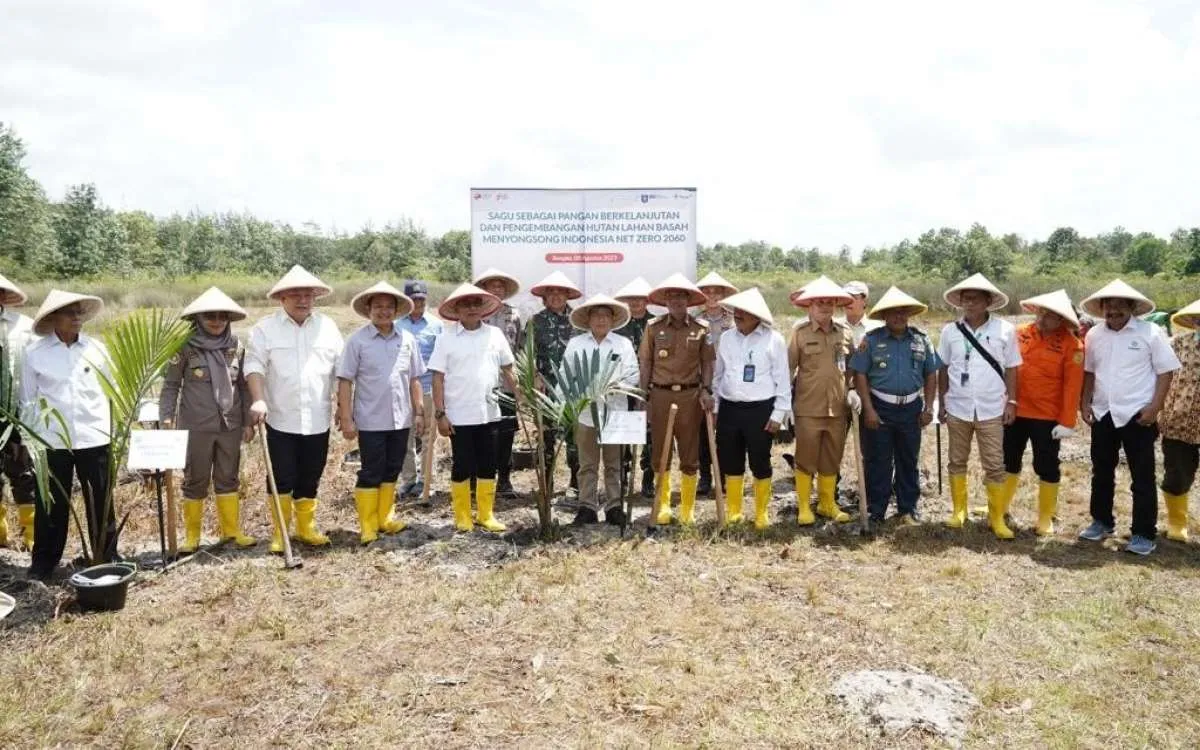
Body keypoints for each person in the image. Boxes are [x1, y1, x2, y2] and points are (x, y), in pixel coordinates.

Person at [244, 265, 344, 553]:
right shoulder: (265, 329)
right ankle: (280, 532)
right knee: (282, 475)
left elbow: (340, 369)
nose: (303, 300)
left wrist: (343, 405)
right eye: (296, 295)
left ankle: (305, 527)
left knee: (311, 473)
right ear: (282, 299)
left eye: (308, 295)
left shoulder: (328, 328)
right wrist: (258, 399)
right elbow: (253, 366)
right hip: (279, 417)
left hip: (317, 416)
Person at [1078, 280, 1180, 556]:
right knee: (1101, 471)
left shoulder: (1151, 332)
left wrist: (1155, 407)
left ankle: (1144, 533)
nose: (1113, 310)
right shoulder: (1095, 335)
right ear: (1101, 309)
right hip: (1103, 412)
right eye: (1108, 306)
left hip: (1138, 413)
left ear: (1132, 307)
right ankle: (1101, 521)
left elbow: (1165, 372)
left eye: (1120, 305)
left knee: (1142, 476)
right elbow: (1089, 372)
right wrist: (1084, 402)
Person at [21, 290, 116, 580]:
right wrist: (30, 442)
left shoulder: (97, 349)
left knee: (101, 500)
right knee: (51, 504)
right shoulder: (34, 354)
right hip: (52, 439)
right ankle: (44, 562)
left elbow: (113, 391)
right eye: (69, 313)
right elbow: (27, 399)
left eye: (79, 313)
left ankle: (107, 556)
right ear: (53, 319)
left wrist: (116, 430)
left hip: (94, 435)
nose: (76, 318)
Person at [159, 287, 255, 553]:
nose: (216, 321)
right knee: (195, 478)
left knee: (228, 477)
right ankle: (192, 537)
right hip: (196, 426)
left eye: (222, 316)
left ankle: (232, 533)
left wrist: (247, 422)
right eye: (210, 316)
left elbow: (245, 387)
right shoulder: (184, 349)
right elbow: (170, 386)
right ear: (198, 319)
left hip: (230, 425)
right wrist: (166, 417)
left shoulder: (237, 347)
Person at [337, 281, 425, 544]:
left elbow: (415, 379)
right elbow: (345, 381)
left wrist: (419, 412)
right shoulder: (357, 341)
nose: (384, 312)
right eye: (378, 307)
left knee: (393, 469)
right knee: (371, 471)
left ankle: (385, 518)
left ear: (397, 311)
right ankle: (367, 525)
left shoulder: (407, 339)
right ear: (368, 310)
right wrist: (346, 417)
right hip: (370, 419)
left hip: (401, 419)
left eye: (389, 307)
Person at [428, 283, 520, 532]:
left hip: (490, 412)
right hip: (459, 415)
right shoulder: (446, 338)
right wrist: (440, 414)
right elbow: (437, 378)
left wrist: (521, 397)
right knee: (462, 465)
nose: (470, 308)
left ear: (483, 308)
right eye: (465, 304)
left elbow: (508, 370)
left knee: (488, 464)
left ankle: (486, 514)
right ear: (456, 309)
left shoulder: (495, 335)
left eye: (475, 303)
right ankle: (462, 516)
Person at [937, 273, 1021, 538]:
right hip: (957, 406)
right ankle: (958, 511)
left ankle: (996, 518)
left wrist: (1012, 401)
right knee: (956, 460)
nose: (969, 303)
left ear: (988, 301)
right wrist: (941, 400)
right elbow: (942, 367)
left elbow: (1012, 368)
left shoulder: (1005, 330)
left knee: (995, 464)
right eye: (965, 299)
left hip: (991, 407)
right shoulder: (949, 331)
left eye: (974, 298)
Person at [850, 287, 939, 525]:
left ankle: (907, 508)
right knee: (877, 460)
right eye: (893, 313)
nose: (899, 317)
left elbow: (931, 373)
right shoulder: (871, 340)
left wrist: (928, 408)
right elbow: (860, 374)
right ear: (885, 316)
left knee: (908, 459)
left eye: (903, 312)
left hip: (911, 408)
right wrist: (868, 409)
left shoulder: (922, 339)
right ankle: (876, 509)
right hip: (880, 407)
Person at [1002, 290, 1084, 536]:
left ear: (1062, 320)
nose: (1043, 318)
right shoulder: (1019, 334)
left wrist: (1067, 421)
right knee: (1008, 460)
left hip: (1047, 416)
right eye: (1041, 312)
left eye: (1051, 315)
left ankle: (1045, 518)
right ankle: (1000, 508)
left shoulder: (1072, 345)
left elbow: (1073, 386)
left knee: (1046, 464)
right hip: (1015, 410)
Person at [639, 273, 715, 525]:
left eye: (681, 296)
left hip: (690, 395)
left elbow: (707, 361)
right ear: (665, 301)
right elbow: (646, 361)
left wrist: (706, 389)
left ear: (688, 300)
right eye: (671, 297)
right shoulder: (653, 327)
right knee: (660, 451)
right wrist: (644, 394)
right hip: (659, 394)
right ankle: (663, 505)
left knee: (689, 450)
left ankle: (687, 507)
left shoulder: (701, 329)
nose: (677, 301)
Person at [712, 288, 789, 529]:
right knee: (730, 459)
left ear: (757, 315)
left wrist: (778, 414)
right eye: (736, 311)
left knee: (760, 460)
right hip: (729, 409)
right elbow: (718, 375)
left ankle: (761, 513)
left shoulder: (773, 339)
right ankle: (734, 511)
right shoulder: (726, 338)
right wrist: (715, 407)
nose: (738, 315)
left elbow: (783, 380)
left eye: (745, 312)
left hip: (760, 410)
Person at [563, 294, 640, 526]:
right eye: (596, 315)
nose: (601, 320)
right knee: (587, 464)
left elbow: (633, 374)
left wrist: (613, 385)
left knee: (614, 463)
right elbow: (566, 374)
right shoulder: (576, 344)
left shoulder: (623, 344)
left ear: (612, 319)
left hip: (615, 410)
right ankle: (587, 507)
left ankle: (614, 506)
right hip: (585, 412)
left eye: (605, 315)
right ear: (588, 320)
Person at [789, 276, 856, 525]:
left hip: (837, 408)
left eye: (829, 302)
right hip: (808, 407)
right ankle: (804, 506)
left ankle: (827, 503)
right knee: (805, 457)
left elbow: (851, 368)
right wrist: (783, 404)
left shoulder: (845, 333)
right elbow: (788, 368)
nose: (825, 307)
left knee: (832, 458)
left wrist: (851, 389)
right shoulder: (800, 333)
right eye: (819, 302)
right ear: (810, 306)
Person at [530, 271, 583, 497]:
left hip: (573, 387)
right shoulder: (536, 321)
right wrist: (535, 378)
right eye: (551, 292)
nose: (555, 296)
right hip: (546, 387)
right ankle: (547, 482)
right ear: (544, 297)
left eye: (560, 292)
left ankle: (575, 483)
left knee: (575, 436)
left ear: (567, 295)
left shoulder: (579, 321)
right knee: (546, 436)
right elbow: (526, 353)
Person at [476, 268, 525, 498]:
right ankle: (481, 477)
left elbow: (520, 349)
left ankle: (504, 479)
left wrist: (519, 385)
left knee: (506, 432)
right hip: (479, 383)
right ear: (484, 289)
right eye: (492, 285)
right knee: (482, 430)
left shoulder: (514, 314)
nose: (497, 289)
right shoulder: (475, 312)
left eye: (501, 286)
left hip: (506, 384)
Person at [396, 280, 443, 501]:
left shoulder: (436, 325)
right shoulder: (396, 325)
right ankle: (408, 480)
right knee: (404, 436)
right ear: (407, 301)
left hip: (428, 387)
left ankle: (426, 481)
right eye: (414, 299)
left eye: (422, 299)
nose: (418, 303)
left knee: (427, 436)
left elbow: (442, 359)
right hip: (402, 389)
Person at [0, 273, 37, 549]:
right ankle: (1, 536)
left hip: (17, 412)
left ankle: (31, 537)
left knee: (24, 475)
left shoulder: (23, 327)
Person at [1159, 298, 1200, 542]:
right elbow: (1159, 375)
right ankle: (1177, 523)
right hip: (1179, 419)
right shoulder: (1176, 344)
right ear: (1193, 321)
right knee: (1177, 472)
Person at [694, 271, 738, 496]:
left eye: (716, 292)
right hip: (702, 381)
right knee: (703, 431)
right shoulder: (695, 320)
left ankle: (723, 475)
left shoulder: (733, 320)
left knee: (726, 432)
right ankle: (705, 476)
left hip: (729, 382)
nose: (711, 296)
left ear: (723, 295)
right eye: (707, 291)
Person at [613, 277, 655, 498]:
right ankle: (623, 477)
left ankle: (649, 478)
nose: (636, 302)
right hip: (623, 388)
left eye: (640, 298)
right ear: (626, 301)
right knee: (622, 434)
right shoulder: (618, 328)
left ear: (647, 300)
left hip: (650, 389)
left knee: (649, 436)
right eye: (632, 299)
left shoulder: (657, 323)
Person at [838, 281, 883, 347]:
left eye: (853, 298)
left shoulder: (877, 328)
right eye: (846, 297)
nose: (848, 302)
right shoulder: (834, 326)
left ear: (864, 301)